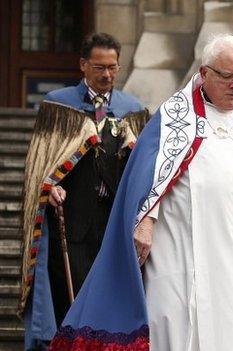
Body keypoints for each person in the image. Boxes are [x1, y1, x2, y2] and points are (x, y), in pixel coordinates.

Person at [48, 35, 233, 351]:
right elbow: (148, 175)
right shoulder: (174, 117)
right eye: (228, 77)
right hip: (176, 246)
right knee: (173, 322)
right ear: (205, 73)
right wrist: (145, 221)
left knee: (231, 327)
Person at [19, 32, 147, 350]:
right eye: (99, 66)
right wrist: (52, 187)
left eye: (113, 67)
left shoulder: (131, 108)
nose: (107, 74)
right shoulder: (57, 105)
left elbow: (145, 169)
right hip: (72, 222)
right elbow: (41, 164)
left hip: (114, 223)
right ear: (83, 65)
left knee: (110, 301)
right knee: (70, 300)